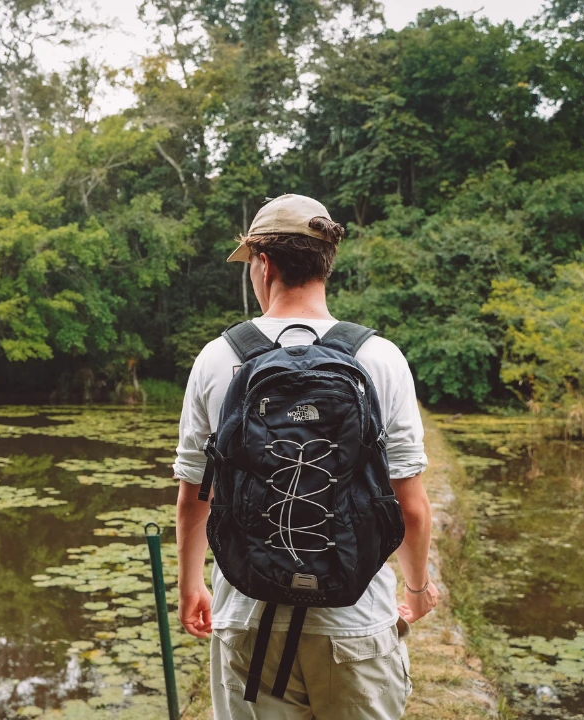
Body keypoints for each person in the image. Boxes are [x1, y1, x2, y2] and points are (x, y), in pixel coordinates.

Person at [173, 194, 439, 719]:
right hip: (354, 620)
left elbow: (193, 497)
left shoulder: (218, 357)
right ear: (326, 265)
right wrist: (417, 586)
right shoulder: (378, 358)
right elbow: (409, 507)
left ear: (263, 264)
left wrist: (190, 583)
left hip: (248, 616)